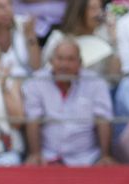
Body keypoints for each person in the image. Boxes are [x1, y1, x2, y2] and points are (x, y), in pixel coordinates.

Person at [23, 35, 113, 164]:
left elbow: (103, 120)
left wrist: (105, 156)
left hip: (87, 158)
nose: (64, 64)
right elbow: (33, 119)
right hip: (48, 158)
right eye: (60, 59)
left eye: (70, 59)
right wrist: (35, 154)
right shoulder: (36, 82)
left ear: (80, 62)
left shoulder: (96, 83)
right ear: (51, 61)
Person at [42, 0, 117, 76]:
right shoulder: (58, 38)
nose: (99, 13)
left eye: (100, 8)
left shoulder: (104, 38)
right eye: (93, 8)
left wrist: (114, 41)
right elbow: (45, 71)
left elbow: (113, 77)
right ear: (79, 11)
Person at [0, 0, 41, 75]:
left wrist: (30, 35)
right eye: (1, 7)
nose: (7, 10)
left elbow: (36, 67)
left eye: (9, 5)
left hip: (25, 83)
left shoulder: (23, 27)